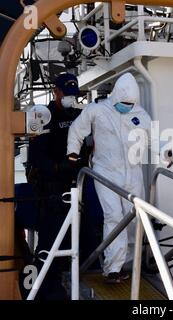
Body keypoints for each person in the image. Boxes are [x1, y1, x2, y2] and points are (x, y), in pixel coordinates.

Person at [67, 72, 151, 283]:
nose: (127, 106)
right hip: (106, 172)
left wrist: (166, 152)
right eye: (124, 103)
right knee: (114, 216)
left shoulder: (141, 114)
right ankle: (112, 268)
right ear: (116, 96)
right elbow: (77, 130)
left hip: (133, 173)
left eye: (130, 103)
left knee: (133, 219)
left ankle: (128, 264)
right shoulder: (97, 111)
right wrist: (73, 151)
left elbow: (154, 139)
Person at [26, 72, 87, 299]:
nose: (70, 98)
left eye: (74, 94)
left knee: (76, 241)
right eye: (66, 94)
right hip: (51, 192)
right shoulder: (41, 116)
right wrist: (58, 167)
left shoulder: (80, 116)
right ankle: (40, 290)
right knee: (48, 244)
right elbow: (35, 158)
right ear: (56, 91)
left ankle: (66, 284)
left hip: (77, 189)